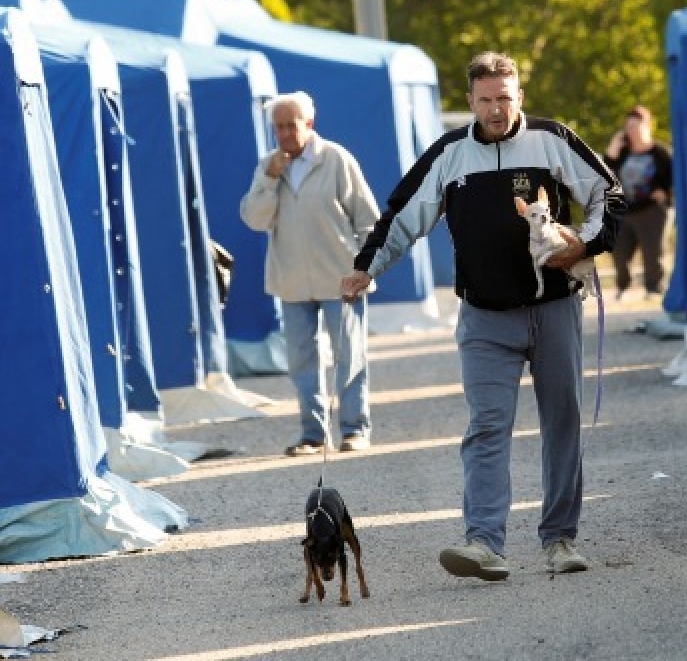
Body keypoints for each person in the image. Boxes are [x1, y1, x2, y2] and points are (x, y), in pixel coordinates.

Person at [340, 51, 625, 580]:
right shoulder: (449, 155)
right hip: (484, 317)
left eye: (506, 99)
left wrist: (582, 245)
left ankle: (560, 539)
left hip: (555, 308)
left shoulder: (552, 141)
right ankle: (484, 543)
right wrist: (366, 268)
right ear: (469, 101)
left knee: (562, 423)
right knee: (487, 428)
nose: (497, 110)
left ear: (521, 98)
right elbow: (402, 216)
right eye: (487, 100)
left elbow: (608, 194)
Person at [241, 91, 380, 455]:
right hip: (291, 281)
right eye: (279, 127)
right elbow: (254, 219)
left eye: (292, 125)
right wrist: (270, 179)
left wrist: (364, 269)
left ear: (309, 124)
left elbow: (368, 220)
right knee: (302, 361)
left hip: (341, 279)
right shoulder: (268, 166)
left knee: (349, 355)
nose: (285, 133)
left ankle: (354, 430)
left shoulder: (336, 159)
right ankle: (313, 435)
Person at [603, 105, 672, 300]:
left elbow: (673, 179)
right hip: (625, 210)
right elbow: (604, 172)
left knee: (653, 253)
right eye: (629, 127)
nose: (632, 131)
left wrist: (665, 193)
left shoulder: (660, 153)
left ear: (648, 126)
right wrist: (614, 145)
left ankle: (654, 288)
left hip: (652, 211)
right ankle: (622, 287)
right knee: (619, 252)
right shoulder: (623, 153)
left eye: (636, 126)